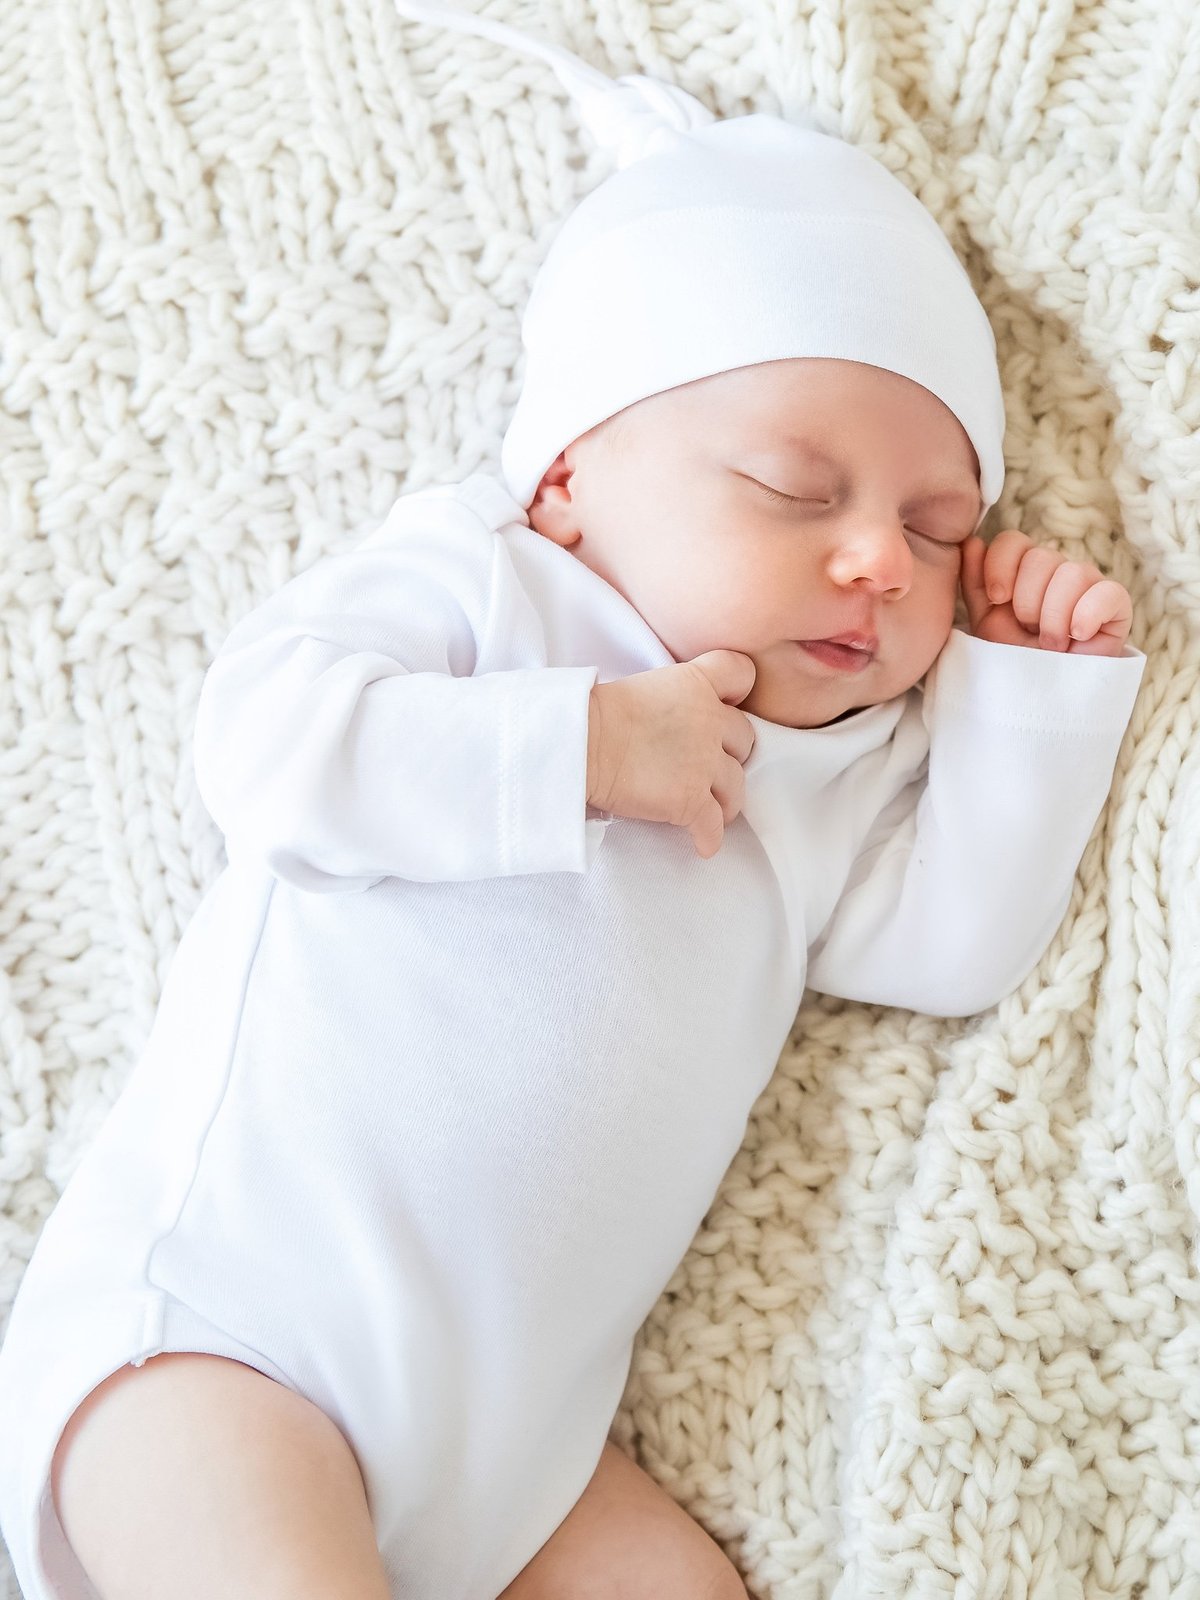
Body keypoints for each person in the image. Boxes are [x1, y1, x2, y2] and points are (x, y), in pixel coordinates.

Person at [0, 4, 1146, 1598]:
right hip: (228, 1346)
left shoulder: (827, 765)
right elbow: (263, 748)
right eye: (795, 490)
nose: (881, 558)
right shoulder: (491, 590)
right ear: (565, 479)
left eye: (942, 525)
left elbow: (949, 948)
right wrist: (584, 748)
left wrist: (1030, 699)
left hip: (526, 1456)